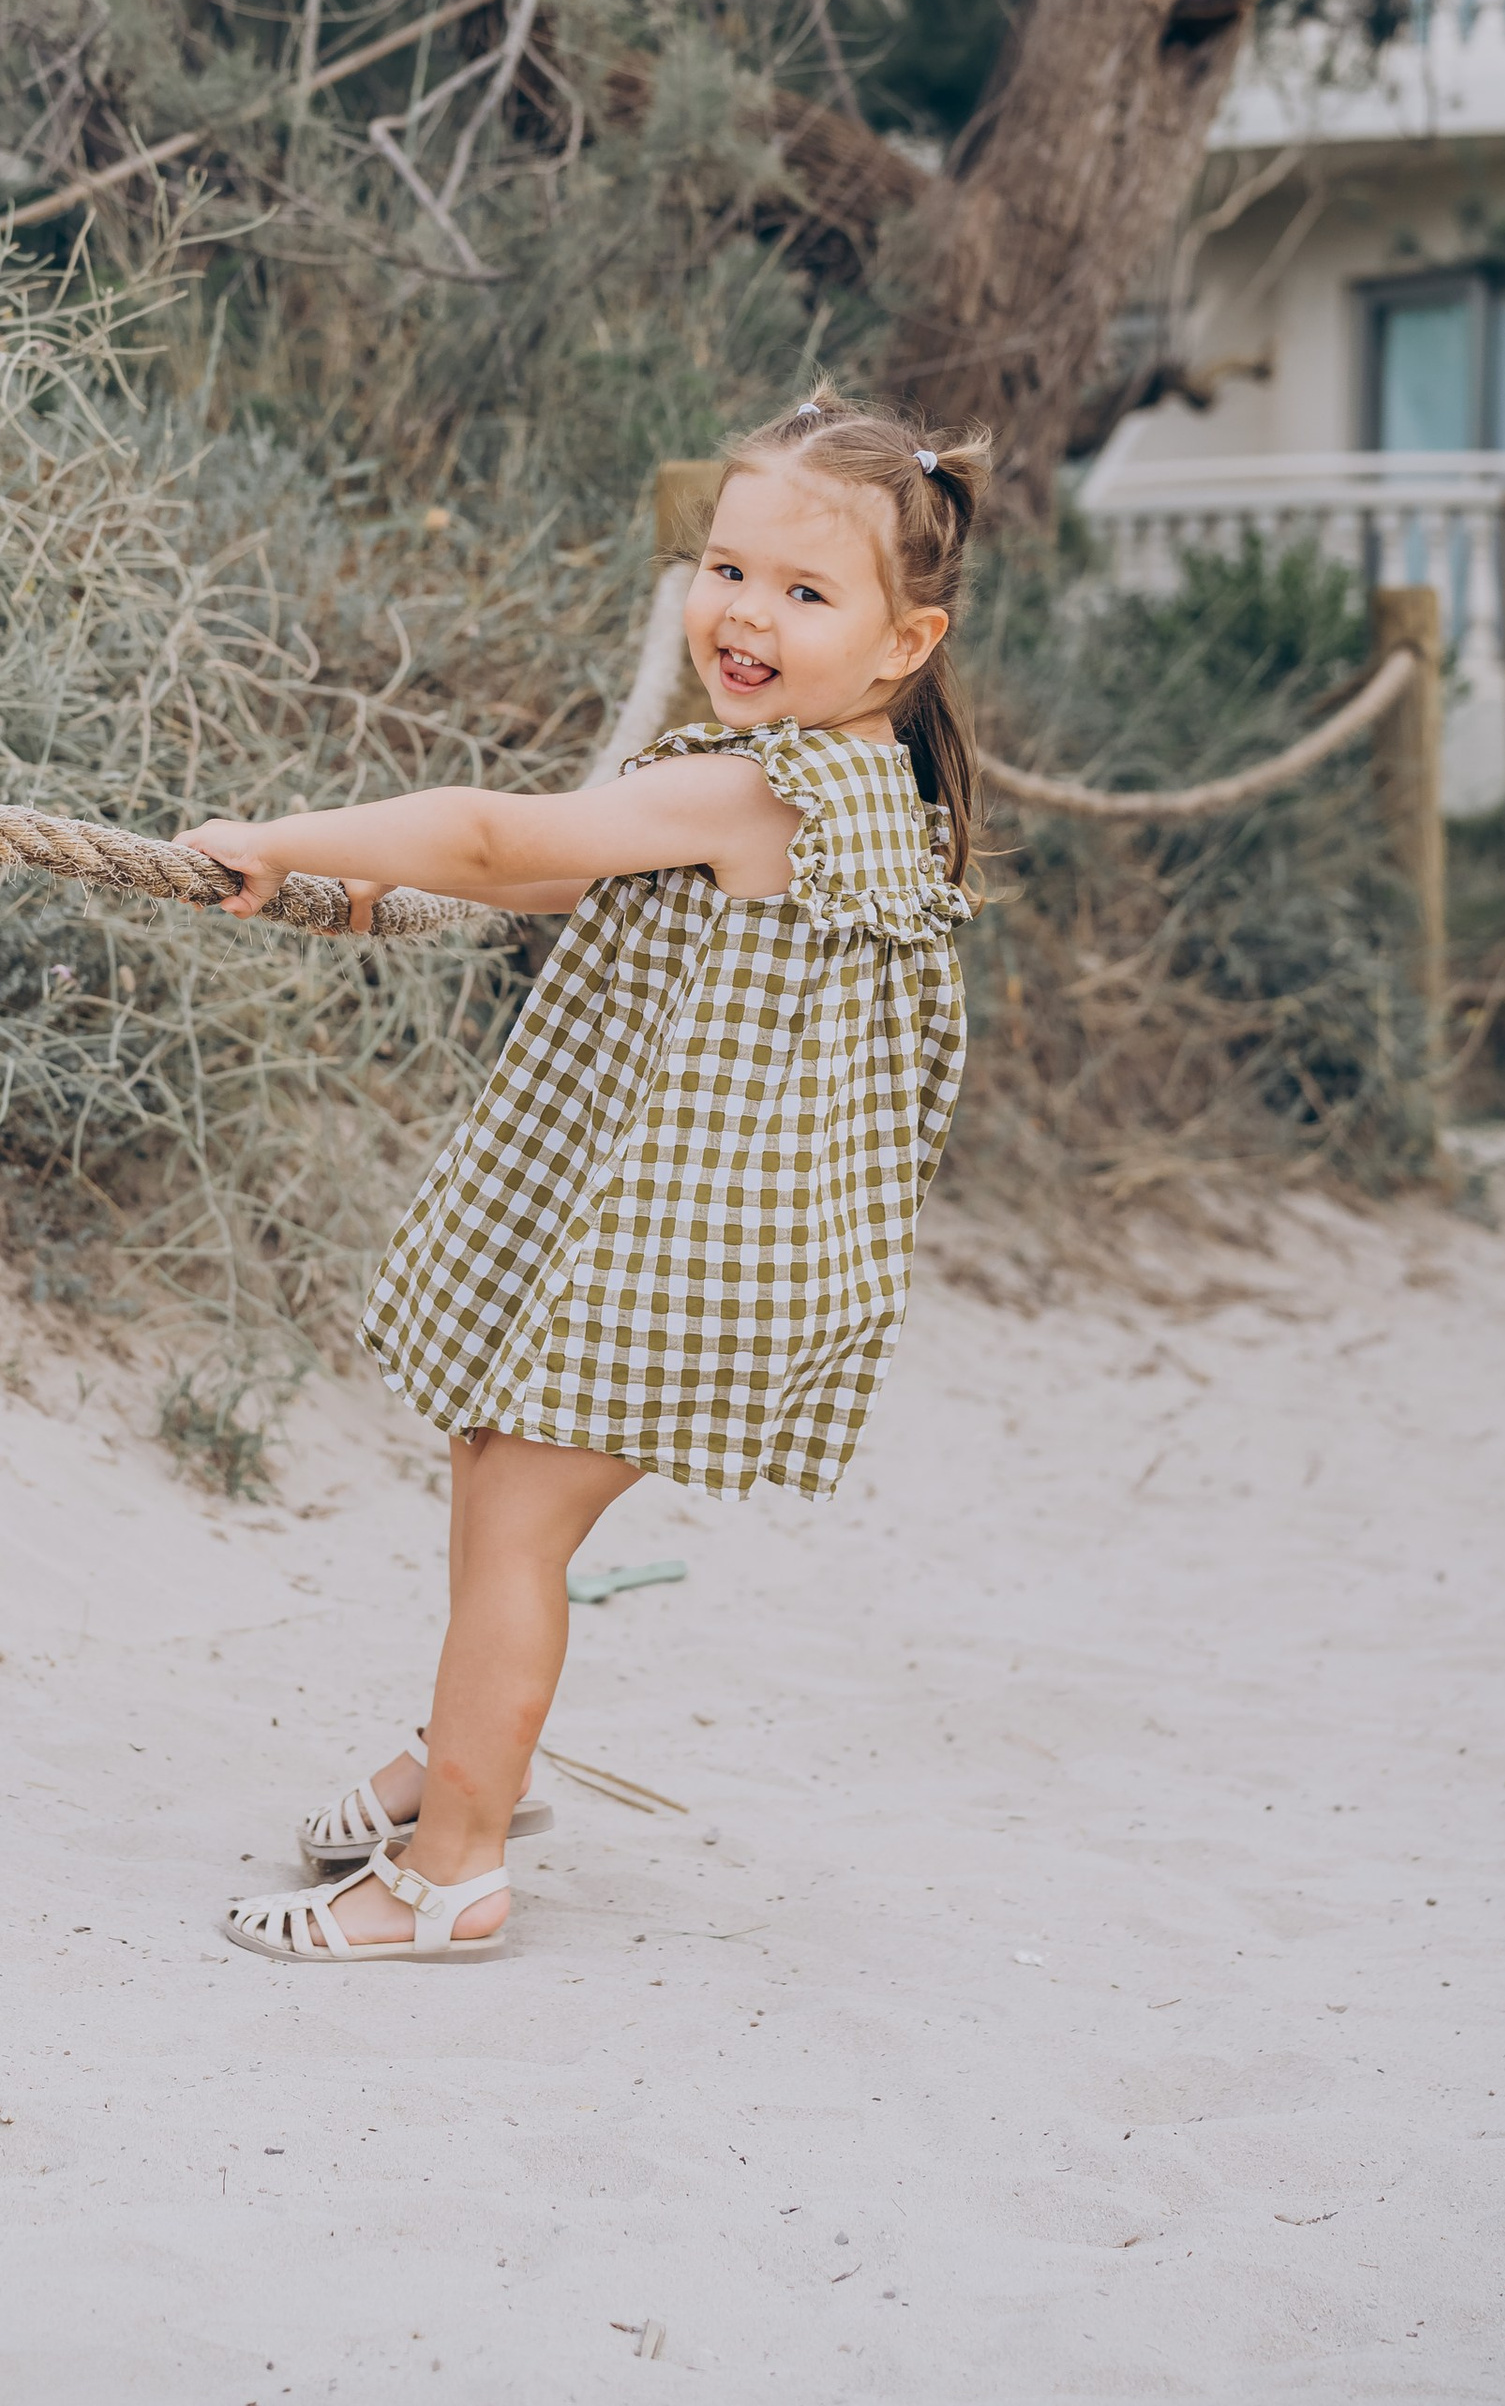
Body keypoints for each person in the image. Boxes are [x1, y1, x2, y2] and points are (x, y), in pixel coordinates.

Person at [176, 389, 988, 1965]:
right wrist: (358, 886)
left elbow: (493, 837)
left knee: (514, 1532)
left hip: (693, 1244)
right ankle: (464, 1768)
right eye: (731, 569)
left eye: (807, 593)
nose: (747, 614)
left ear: (905, 642)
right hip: (713, 1238)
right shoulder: (832, 778)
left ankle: (453, 1871)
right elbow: (565, 862)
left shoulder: (772, 786)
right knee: (495, 1478)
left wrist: (280, 836)